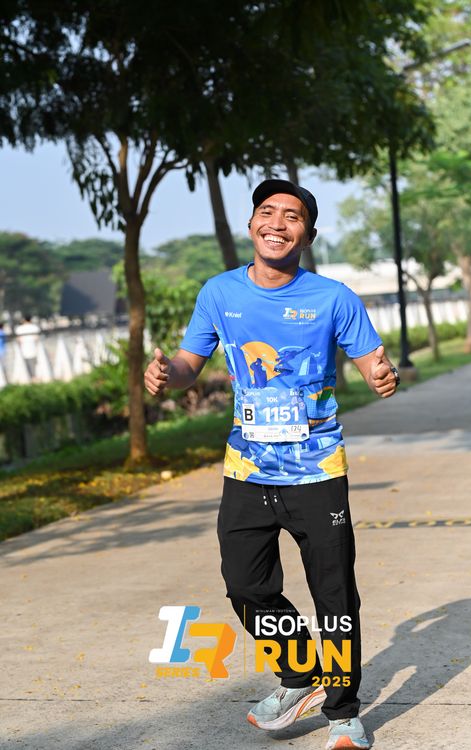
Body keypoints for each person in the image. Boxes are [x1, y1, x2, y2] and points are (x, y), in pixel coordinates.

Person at [144, 179, 399, 750]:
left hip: (318, 472)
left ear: (308, 234)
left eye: (292, 216)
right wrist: (166, 375)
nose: (277, 223)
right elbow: (188, 363)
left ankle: (343, 714)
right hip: (246, 470)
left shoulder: (333, 298)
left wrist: (384, 377)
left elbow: (373, 365)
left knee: (334, 596)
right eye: (267, 212)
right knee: (244, 585)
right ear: (252, 224)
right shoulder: (219, 292)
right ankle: (301, 674)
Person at [15, 315, 41, 379]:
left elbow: (18, 339)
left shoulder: (19, 328)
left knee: (26, 365)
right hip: (34, 348)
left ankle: (31, 377)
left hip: (23, 349)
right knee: (35, 364)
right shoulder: (34, 327)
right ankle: (35, 377)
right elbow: (37, 338)